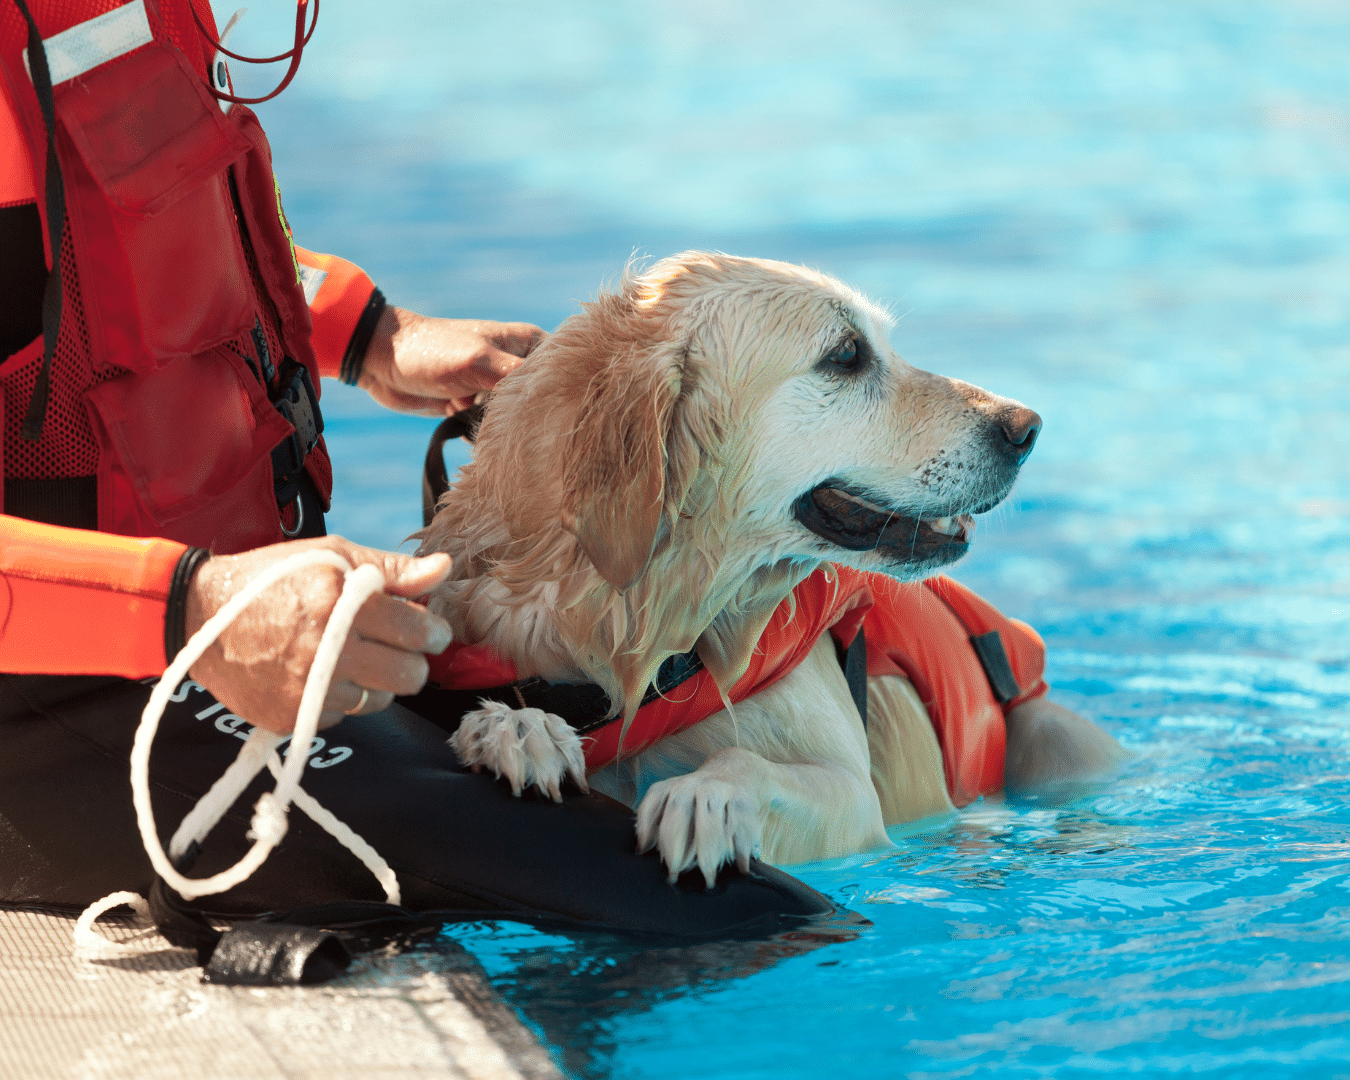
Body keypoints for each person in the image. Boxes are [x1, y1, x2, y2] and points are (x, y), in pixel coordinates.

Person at [0, 0, 841, 936]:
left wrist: (368, 334)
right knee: (727, 912)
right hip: (58, 693)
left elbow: (127, 239)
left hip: (211, 629)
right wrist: (190, 603)